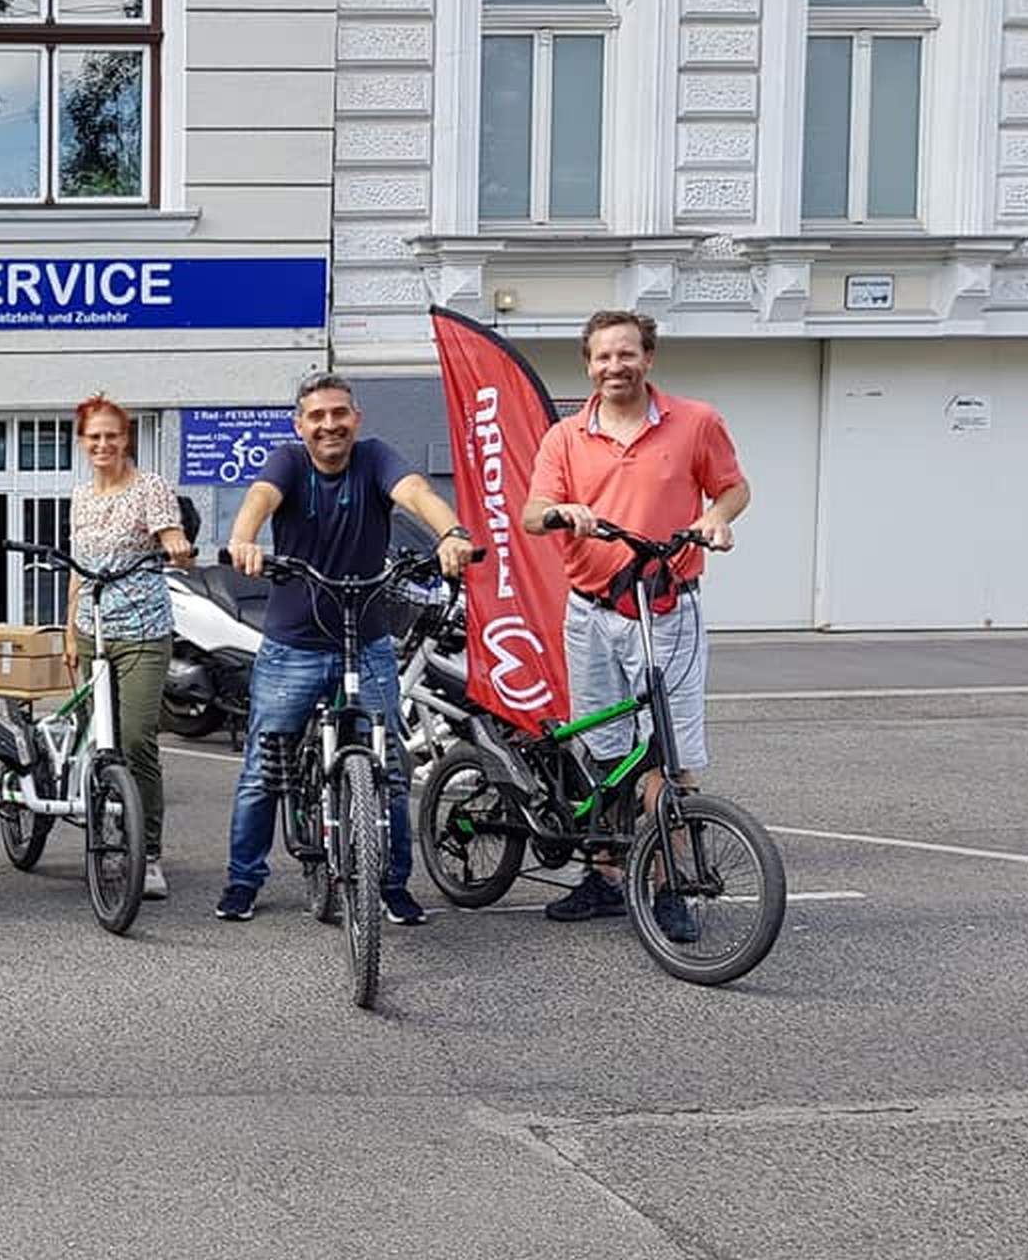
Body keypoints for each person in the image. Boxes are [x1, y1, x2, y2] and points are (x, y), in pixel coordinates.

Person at [214, 372, 473, 927]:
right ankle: (243, 880)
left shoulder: (375, 457)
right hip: (293, 647)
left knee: (392, 768)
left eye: (339, 413)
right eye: (317, 416)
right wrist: (243, 539)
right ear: (300, 426)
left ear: (355, 418)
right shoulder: (288, 463)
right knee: (265, 767)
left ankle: (393, 884)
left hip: (369, 641)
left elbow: (417, 494)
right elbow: (260, 496)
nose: (329, 424)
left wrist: (451, 533)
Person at [522, 310, 748, 935]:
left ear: (648, 358)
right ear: (588, 365)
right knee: (603, 749)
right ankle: (604, 874)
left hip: (669, 606)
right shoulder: (565, 438)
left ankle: (668, 884)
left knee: (669, 758)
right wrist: (562, 510)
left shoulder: (696, 422)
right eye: (602, 357)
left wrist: (717, 518)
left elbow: (733, 488)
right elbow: (531, 515)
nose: (614, 367)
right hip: (591, 611)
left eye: (626, 354)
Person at [61, 394, 194, 901]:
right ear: (82, 442)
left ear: (126, 439)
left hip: (142, 631)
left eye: (111, 435)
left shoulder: (150, 488)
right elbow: (79, 566)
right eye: (93, 436)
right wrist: (69, 627)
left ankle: (150, 853)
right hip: (94, 630)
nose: (102, 444)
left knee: (137, 739)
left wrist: (176, 545)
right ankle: (105, 835)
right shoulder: (80, 497)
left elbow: (170, 533)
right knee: (99, 741)